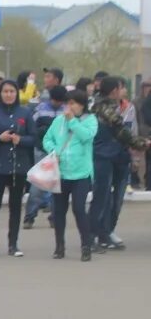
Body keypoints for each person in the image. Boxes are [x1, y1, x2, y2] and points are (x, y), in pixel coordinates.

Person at [89, 76, 149, 251]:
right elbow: (121, 132)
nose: (124, 91)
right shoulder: (102, 108)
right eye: (122, 88)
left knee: (116, 199)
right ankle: (91, 236)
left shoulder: (119, 106)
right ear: (114, 90)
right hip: (103, 157)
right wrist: (143, 144)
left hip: (119, 157)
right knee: (101, 197)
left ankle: (106, 233)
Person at [0, 79, 35, 257]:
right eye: (5, 92)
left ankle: (13, 244)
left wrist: (21, 140)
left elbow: (34, 139)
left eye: (12, 91)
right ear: (0, 94)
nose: (9, 95)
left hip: (18, 167)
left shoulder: (25, 112)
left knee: (15, 206)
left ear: (17, 93)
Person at [44, 90, 97, 261]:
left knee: (79, 209)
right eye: (69, 103)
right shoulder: (59, 121)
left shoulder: (90, 120)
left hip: (81, 173)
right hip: (61, 172)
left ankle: (86, 245)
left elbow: (86, 137)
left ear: (82, 105)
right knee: (59, 211)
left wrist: (72, 121)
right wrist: (54, 151)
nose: (70, 106)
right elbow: (47, 139)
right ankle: (59, 246)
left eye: (74, 103)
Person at [24, 85, 68, 229]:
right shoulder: (40, 109)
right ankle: (29, 216)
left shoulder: (66, 111)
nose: (58, 103)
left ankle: (55, 217)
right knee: (38, 184)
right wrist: (41, 133)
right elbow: (31, 127)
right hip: (42, 151)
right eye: (56, 101)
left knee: (57, 186)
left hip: (61, 153)